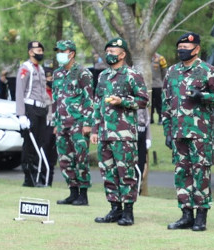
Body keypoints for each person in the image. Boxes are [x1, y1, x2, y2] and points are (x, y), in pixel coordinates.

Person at [162, 32, 214, 232]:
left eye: (186, 47)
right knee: (182, 172)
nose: (182, 50)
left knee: (201, 172)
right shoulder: (172, 72)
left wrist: (203, 96)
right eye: (180, 47)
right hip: (178, 132)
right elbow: (166, 103)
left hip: (200, 133)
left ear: (196, 49)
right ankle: (186, 214)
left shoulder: (208, 71)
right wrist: (167, 130)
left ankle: (201, 216)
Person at [90, 37, 149, 226]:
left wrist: (122, 101)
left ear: (122, 54)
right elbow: (97, 104)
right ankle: (114, 209)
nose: (109, 55)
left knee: (126, 172)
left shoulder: (133, 75)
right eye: (107, 52)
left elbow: (143, 100)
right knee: (108, 172)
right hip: (105, 133)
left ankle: (128, 212)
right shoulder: (103, 76)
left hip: (124, 134)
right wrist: (95, 128)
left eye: (113, 52)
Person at [51, 40, 94, 206]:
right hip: (62, 123)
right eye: (58, 50)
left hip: (79, 123)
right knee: (64, 159)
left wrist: (88, 123)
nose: (60, 53)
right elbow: (56, 99)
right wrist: (55, 122)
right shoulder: (58, 74)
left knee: (80, 158)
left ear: (72, 53)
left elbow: (89, 99)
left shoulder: (83, 73)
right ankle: (72, 192)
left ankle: (83, 194)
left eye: (63, 50)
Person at [15, 40, 52, 187]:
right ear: (30, 52)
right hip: (30, 108)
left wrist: (49, 113)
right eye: (38, 50)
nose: (40, 53)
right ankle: (28, 177)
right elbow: (19, 91)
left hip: (41, 109)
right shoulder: (26, 68)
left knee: (40, 142)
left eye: (42, 50)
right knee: (30, 144)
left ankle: (38, 176)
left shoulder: (41, 69)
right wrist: (21, 114)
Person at [149, 52, 167, 123]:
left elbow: (164, 72)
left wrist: (162, 82)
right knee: (150, 103)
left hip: (157, 85)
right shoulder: (145, 58)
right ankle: (151, 118)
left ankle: (160, 118)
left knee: (159, 102)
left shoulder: (160, 58)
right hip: (148, 85)